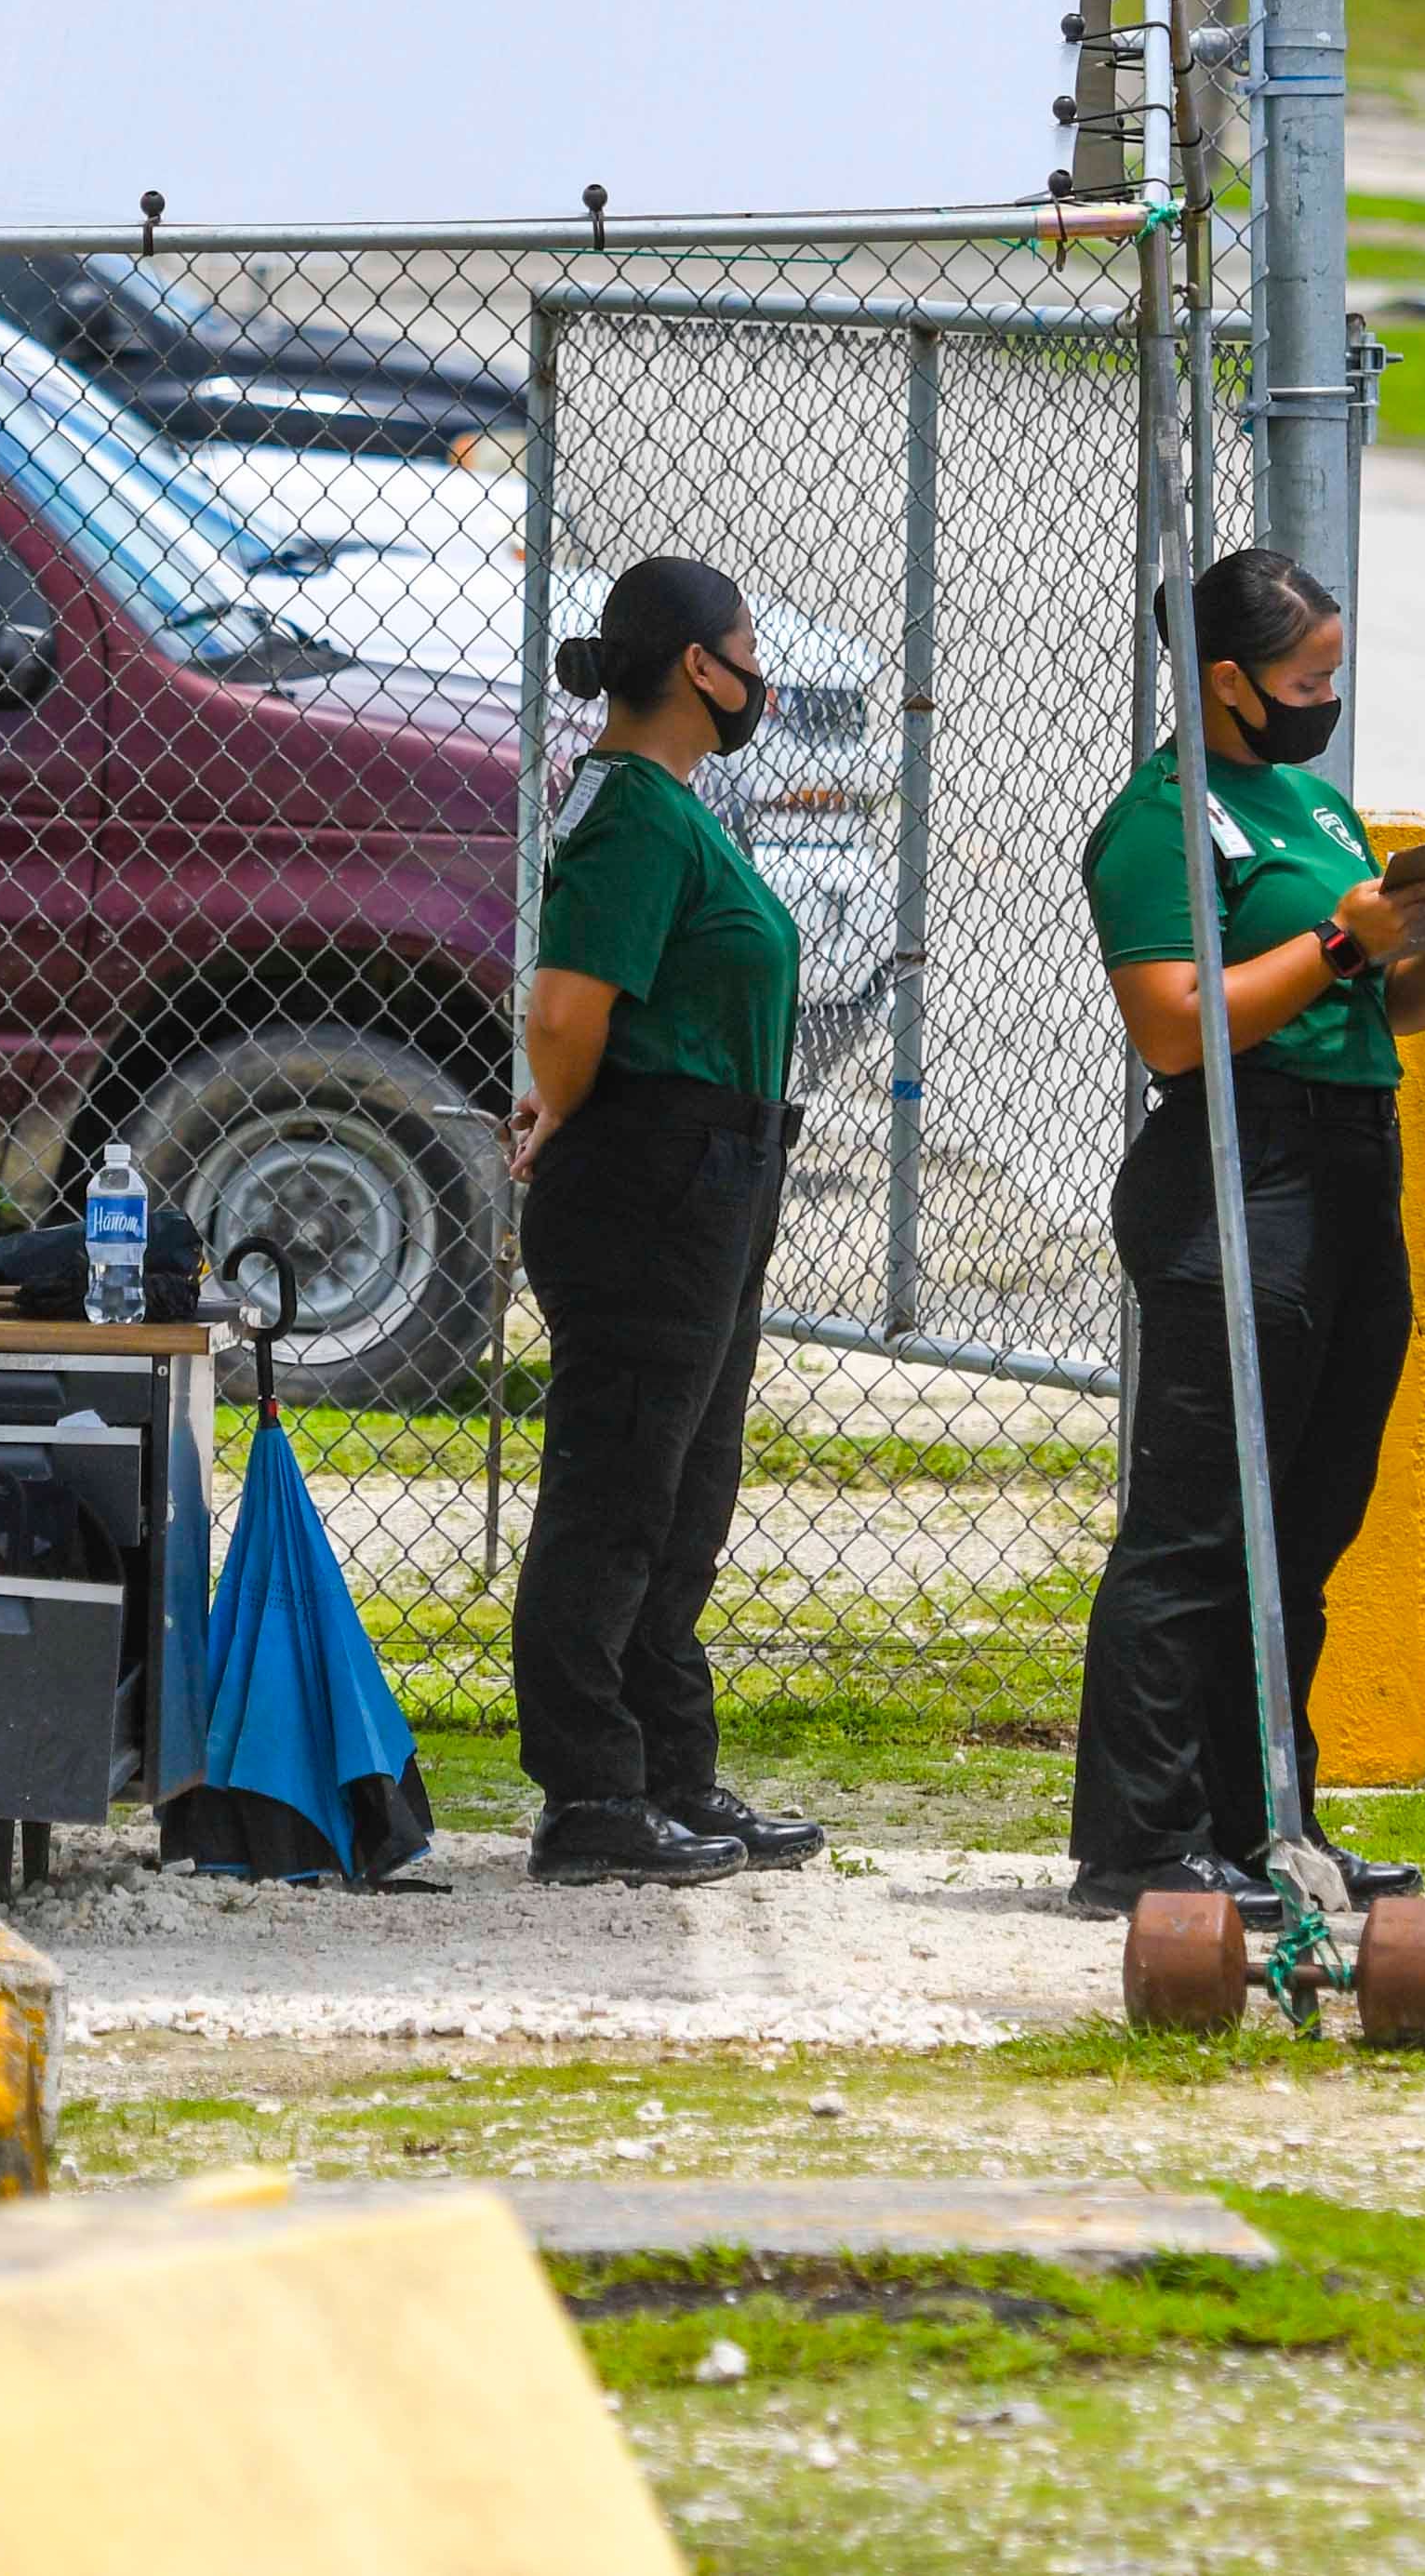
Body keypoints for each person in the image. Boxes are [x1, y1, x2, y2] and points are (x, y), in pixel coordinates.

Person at [1067, 545, 1425, 1919]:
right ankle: (1137, 1837)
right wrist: (1345, 946)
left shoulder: (1314, 806)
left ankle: (1265, 1826)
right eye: (1309, 679)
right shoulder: (1162, 818)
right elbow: (1176, 1027)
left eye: (1337, 676)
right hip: (1244, 1170)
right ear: (1228, 683)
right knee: (1196, 1527)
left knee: (1307, 1524)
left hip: (1353, 1164)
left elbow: (1400, 1011)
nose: (1328, 700)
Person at [508, 552, 833, 1888]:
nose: (762, 672)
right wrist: (567, 1110)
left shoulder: (676, 807)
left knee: (686, 1491)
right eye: (749, 643)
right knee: (621, 1486)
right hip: (652, 1168)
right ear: (701, 666)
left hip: (716, 1168)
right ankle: (591, 1794)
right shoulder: (635, 810)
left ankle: (668, 1774)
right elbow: (565, 1019)